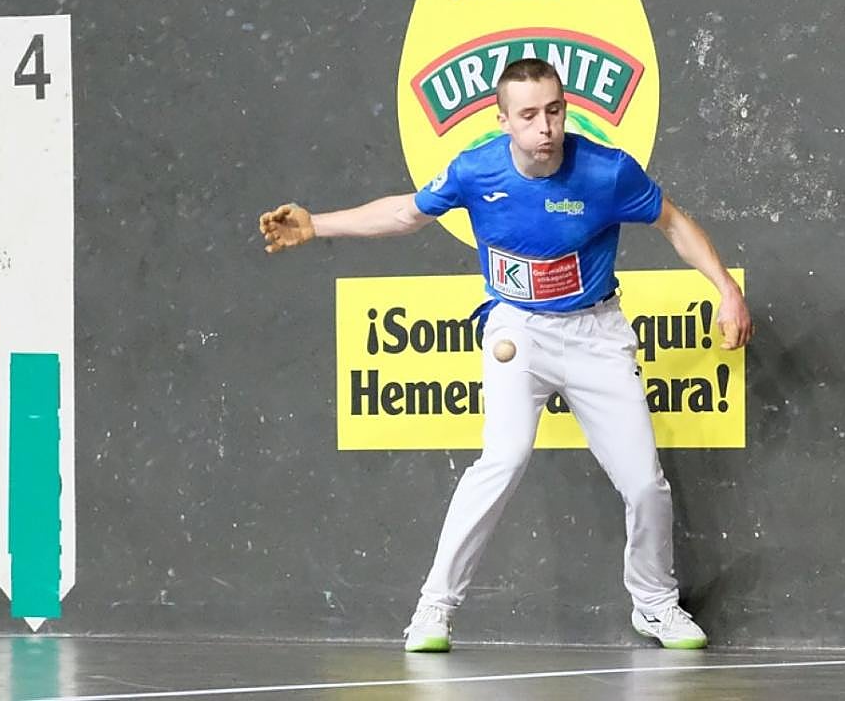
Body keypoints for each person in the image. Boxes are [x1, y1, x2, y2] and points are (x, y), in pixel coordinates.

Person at [259, 57, 752, 653]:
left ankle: (654, 605)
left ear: (565, 109)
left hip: (597, 332)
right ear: (503, 120)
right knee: (503, 457)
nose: (544, 127)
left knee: (646, 486)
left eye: (554, 110)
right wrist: (319, 226)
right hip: (517, 330)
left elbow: (673, 223)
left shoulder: (606, 171)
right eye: (528, 115)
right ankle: (432, 611)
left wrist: (725, 288)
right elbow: (405, 213)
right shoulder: (476, 169)